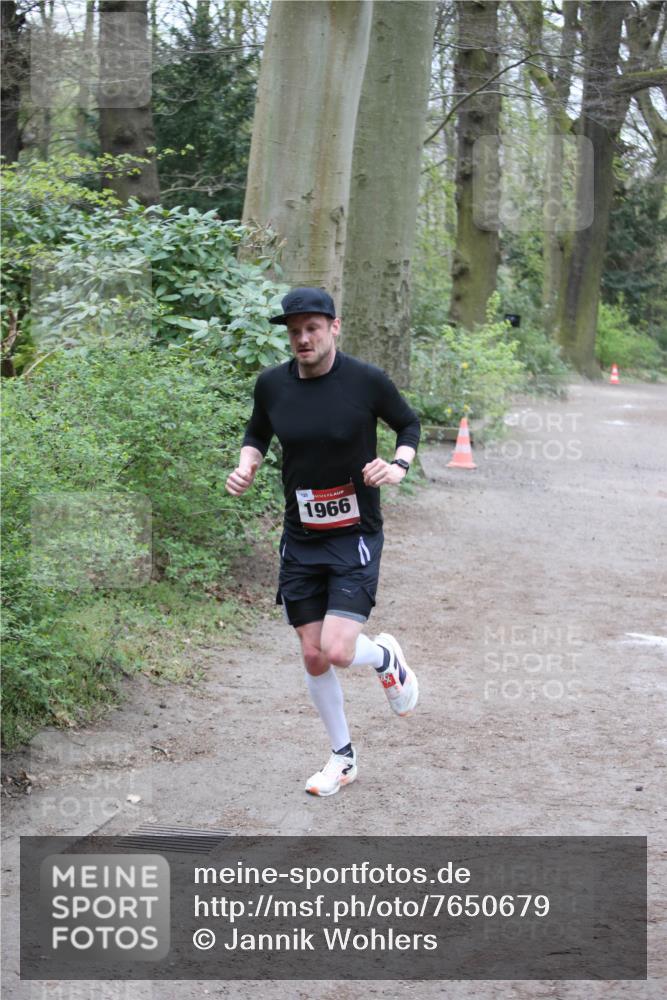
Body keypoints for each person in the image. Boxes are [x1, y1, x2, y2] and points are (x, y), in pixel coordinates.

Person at [225, 287, 421, 797]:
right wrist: (247, 464)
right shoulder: (272, 385)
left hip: (354, 534)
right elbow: (257, 433)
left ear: (334, 327)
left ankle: (384, 659)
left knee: (337, 650)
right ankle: (343, 757)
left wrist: (398, 465)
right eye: (294, 331)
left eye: (312, 328)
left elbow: (408, 424)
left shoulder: (365, 381)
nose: (302, 338)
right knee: (313, 656)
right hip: (300, 536)